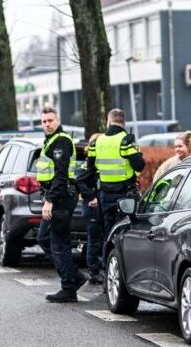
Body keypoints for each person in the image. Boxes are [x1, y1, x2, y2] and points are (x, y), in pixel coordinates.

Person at [33, 107, 83, 303]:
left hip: (60, 199)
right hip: (57, 198)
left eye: (50, 121)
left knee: (59, 244)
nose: (47, 124)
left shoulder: (61, 141)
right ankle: (75, 277)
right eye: (44, 121)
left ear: (58, 120)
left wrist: (49, 201)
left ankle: (69, 288)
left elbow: (61, 176)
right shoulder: (51, 141)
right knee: (44, 238)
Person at [86, 108, 146, 270]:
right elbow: (139, 165)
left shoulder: (97, 142)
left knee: (108, 234)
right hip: (124, 195)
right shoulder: (126, 140)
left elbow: (90, 169)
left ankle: (108, 272)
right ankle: (123, 272)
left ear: (109, 120)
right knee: (124, 234)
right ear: (124, 122)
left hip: (105, 195)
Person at [75, 135, 105, 284]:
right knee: (94, 239)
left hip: (101, 204)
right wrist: (91, 196)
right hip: (91, 206)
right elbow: (79, 181)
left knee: (103, 239)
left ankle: (103, 269)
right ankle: (93, 272)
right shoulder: (88, 164)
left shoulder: (102, 162)